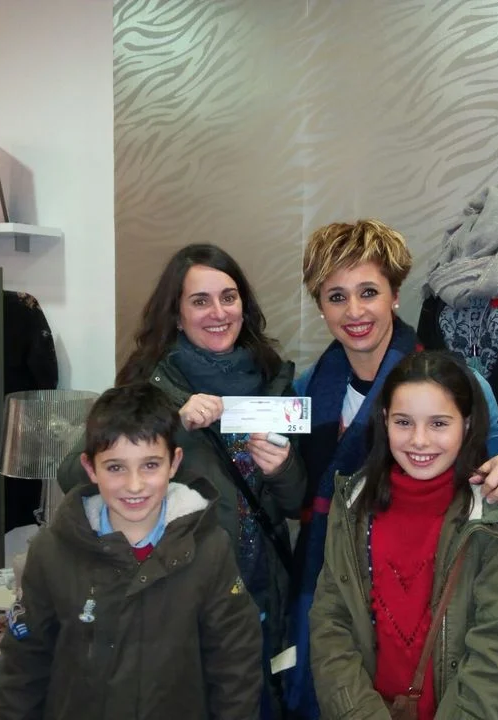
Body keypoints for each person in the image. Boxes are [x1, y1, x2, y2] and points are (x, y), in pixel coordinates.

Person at [286, 219, 498, 717]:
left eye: (368, 292)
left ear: (395, 296)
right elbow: (294, 491)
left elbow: (493, 446)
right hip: (336, 587)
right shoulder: (307, 390)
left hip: (438, 600)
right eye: (336, 297)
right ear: (321, 307)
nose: (354, 311)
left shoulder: (450, 380)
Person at [57, 243, 305, 718]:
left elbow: (294, 502)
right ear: (176, 314)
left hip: (261, 588)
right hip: (179, 595)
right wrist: (167, 425)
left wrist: (282, 468)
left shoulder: (274, 380)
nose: (218, 313)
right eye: (200, 301)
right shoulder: (148, 385)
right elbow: (74, 473)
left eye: (228, 297)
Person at [0, 383, 263, 720]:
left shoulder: (210, 549)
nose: (134, 485)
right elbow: (23, 666)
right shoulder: (51, 551)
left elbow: (235, 665)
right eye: (116, 467)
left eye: (150, 465)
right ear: (90, 468)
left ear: (174, 463)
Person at [310, 350, 498, 719]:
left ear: (467, 424)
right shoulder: (353, 504)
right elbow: (332, 625)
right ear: (385, 420)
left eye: (438, 423)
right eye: (404, 422)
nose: (419, 440)